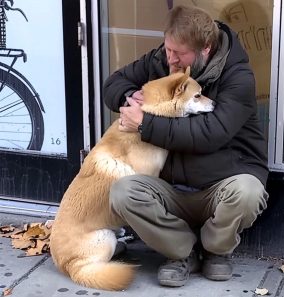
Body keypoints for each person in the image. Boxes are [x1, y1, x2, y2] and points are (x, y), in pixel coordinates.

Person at [103, 5, 269, 287]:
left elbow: (209, 134)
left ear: (205, 49)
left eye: (178, 54)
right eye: (167, 49)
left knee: (248, 192)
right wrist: (133, 97)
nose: (170, 59)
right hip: (171, 189)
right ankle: (182, 251)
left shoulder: (238, 78)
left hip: (220, 186)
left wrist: (145, 124)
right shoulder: (162, 60)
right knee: (122, 192)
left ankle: (215, 251)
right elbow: (113, 83)